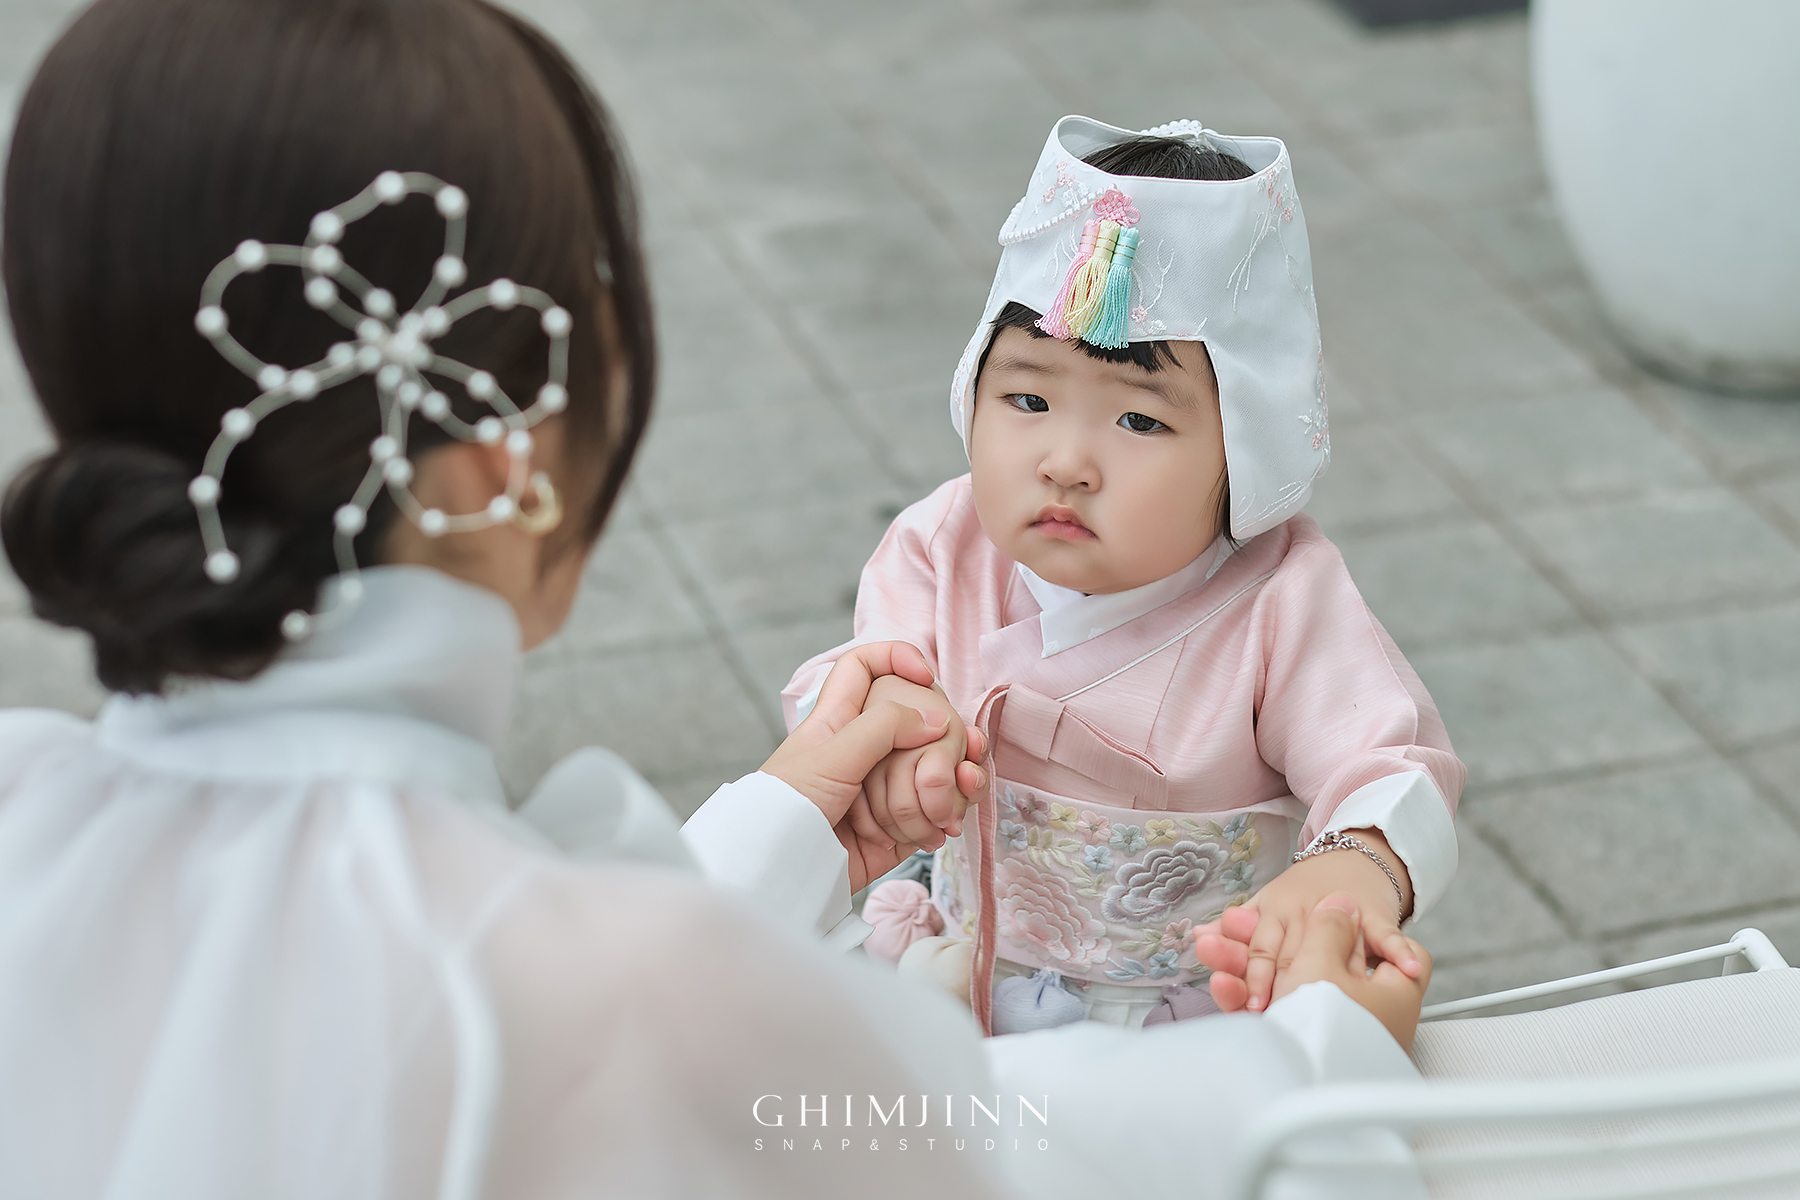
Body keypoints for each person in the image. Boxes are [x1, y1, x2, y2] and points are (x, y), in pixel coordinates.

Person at [0, 1, 1433, 1196]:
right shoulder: (617, 994)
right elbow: (999, 1151)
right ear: (512, 467)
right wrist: (1322, 1054)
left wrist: (788, 818)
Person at [785, 118, 1467, 1034]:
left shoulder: (1280, 600)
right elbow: (859, 680)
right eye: (1028, 399)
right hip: (955, 977)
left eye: (1140, 421)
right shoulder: (943, 543)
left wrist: (1355, 866)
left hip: (1168, 1023)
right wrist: (889, 737)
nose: (1067, 462)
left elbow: (1389, 763)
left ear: (1248, 447)